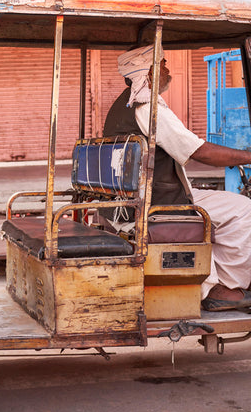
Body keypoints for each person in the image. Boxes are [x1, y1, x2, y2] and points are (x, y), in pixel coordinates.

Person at [103, 44, 251, 311]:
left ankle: (214, 280)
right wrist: (247, 156)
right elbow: (199, 151)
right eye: (163, 64)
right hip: (157, 200)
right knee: (244, 211)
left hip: (135, 197)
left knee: (230, 208)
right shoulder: (147, 108)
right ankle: (221, 288)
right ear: (149, 73)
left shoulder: (121, 106)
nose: (168, 70)